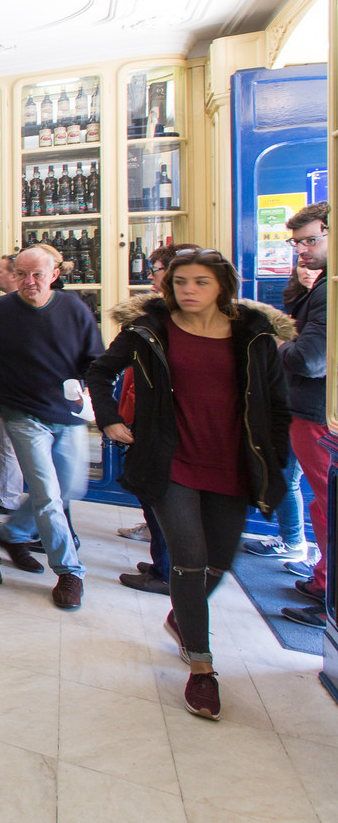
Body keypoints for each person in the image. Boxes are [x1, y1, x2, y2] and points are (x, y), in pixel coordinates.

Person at [86, 249, 290, 720]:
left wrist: (273, 459)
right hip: (170, 461)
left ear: (223, 287)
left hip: (234, 463)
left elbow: (276, 405)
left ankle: (183, 614)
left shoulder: (254, 334)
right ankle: (202, 667)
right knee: (190, 559)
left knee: (219, 562)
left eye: (200, 282)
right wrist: (111, 420)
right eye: (179, 282)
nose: (188, 291)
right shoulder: (150, 329)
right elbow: (100, 372)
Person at [0, 246, 104, 610]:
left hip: (68, 412)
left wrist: (89, 391)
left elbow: (93, 358)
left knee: (69, 489)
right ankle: (69, 572)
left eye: (37, 274)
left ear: (54, 275)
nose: (29, 282)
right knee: (47, 493)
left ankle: (14, 532)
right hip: (22, 413)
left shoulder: (74, 309)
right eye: (21, 274)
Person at [112, 243, 201, 593]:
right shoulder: (151, 318)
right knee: (152, 499)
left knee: (162, 499)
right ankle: (163, 563)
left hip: (166, 425)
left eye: (157, 270)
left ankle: (167, 572)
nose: (151, 277)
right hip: (144, 416)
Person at [242, 265, 320, 562]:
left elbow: (307, 361)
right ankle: (292, 540)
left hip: (310, 410)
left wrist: (278, 343)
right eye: (301, 264)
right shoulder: (300, 307)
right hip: (290, 404)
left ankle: (294, 543)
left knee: (287, 478)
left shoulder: (318, 308)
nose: (308, 271)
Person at [280, 203, 331, 628]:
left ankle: (329, 598)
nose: (301, 250)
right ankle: (321, 580)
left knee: (328, 506)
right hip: (312, 411)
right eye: (297, 242)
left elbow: (310, 359)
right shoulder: (319, 286)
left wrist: (274, 344)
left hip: (317, 414)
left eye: (310, 240)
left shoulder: (330, 290)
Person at [0, 254, 25, 513]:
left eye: (0, 271)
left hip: (12, 391)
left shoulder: (7, 310)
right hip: (4, 390)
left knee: (8, 447)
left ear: (14, 275)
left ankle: (7, 498)